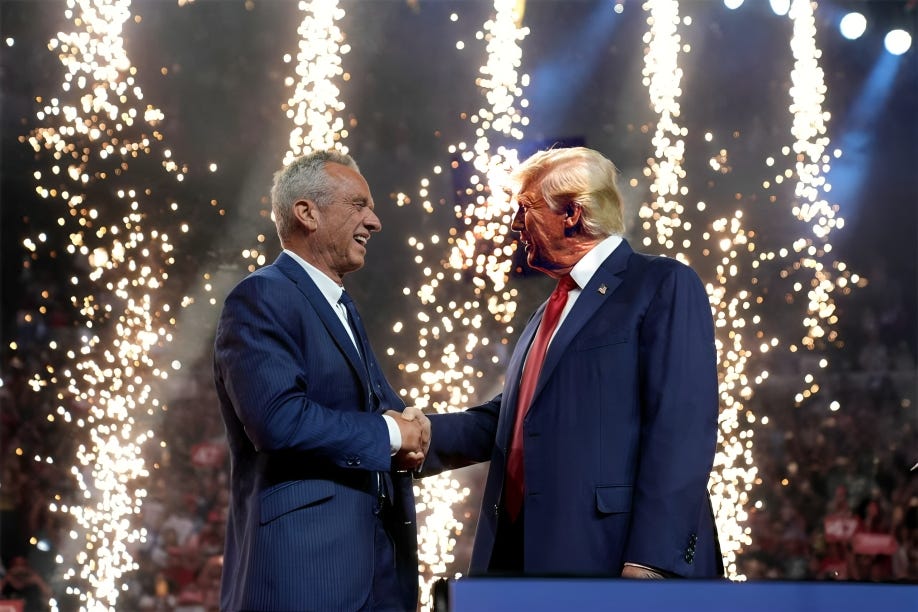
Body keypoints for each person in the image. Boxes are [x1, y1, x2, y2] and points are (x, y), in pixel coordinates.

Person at [422, 146, 722, 578]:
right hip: (523, 557)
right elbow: (516, 419)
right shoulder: (548, 311)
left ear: (572, 213)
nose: (514, 225)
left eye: (525, 208)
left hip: (610, 558)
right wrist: (420, 434)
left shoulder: (660, 284)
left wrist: (651, 562)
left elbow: (682, 427)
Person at [214, 150, 429, 611]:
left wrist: (504, 419)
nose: (375, 222)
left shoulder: (344, 309)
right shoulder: (262, 295)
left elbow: (400, 428)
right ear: (307, 213)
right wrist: (395, 432)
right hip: (305, 579)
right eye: (359, 204)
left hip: (375, 582)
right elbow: (278, 419)